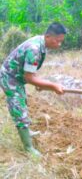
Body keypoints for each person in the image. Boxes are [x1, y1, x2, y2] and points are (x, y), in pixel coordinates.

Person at [0, 22, 67, 157]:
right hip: (10, 77)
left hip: (17, 76)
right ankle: (29, 148)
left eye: (61, 42)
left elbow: (31, 71)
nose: (59, 44)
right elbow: (30, 78)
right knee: (19, 110)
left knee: (23, 101)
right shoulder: (35, 49)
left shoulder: (41, 43)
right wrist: (52, 86)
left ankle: (27, 132)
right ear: (48, 36)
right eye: (57, 41)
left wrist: (41, 84)